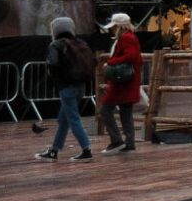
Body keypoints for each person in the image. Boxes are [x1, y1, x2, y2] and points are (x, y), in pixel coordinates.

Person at [34, 16, 95, 163]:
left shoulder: (56, 45)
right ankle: (54, 151)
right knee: (64, 119)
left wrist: (55, 75)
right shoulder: (80, 43)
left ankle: (86, 150)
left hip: (66, 86)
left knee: (73, 118)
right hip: (81, 86)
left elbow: (53, 63)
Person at [98, 12, 143, 153]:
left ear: (119, 26)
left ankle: (116, 141)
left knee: (105, 110)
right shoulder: (130, 37)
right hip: (127, 81)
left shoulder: (126, 38)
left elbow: (130, 55)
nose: (111, 29)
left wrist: (110, 63)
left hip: (122, 82)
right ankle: (129, 143)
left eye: (114, 26)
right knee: (125, 112)